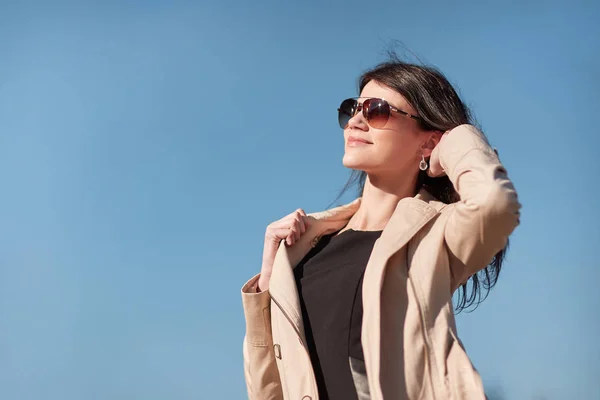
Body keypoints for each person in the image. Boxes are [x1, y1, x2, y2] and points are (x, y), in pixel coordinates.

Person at [240, 59, 521, 400]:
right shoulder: (306, 246)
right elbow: (267, 389)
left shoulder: (437, 235)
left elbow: (494, 203)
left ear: (428, 142)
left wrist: (454, 142)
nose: (356, 121)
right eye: (352, 109)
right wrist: (269, 278)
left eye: (377, 111)